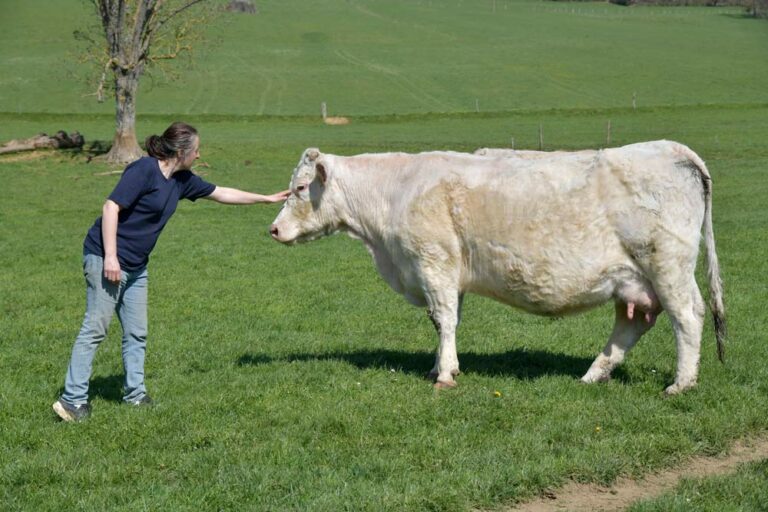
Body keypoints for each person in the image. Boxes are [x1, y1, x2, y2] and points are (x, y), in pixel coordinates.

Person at [52, 122, 290, 422]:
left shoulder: (182, 180)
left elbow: (222, 193)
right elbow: (111, 207)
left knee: (137, 333)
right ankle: (72, 400)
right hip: (105, 258)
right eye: (197, 150)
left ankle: (135, 395)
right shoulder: (144, 170)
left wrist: (266, 198)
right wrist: (111, 257)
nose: (200, 154)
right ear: (181, 152)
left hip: (137, 266)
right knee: (96, 328)